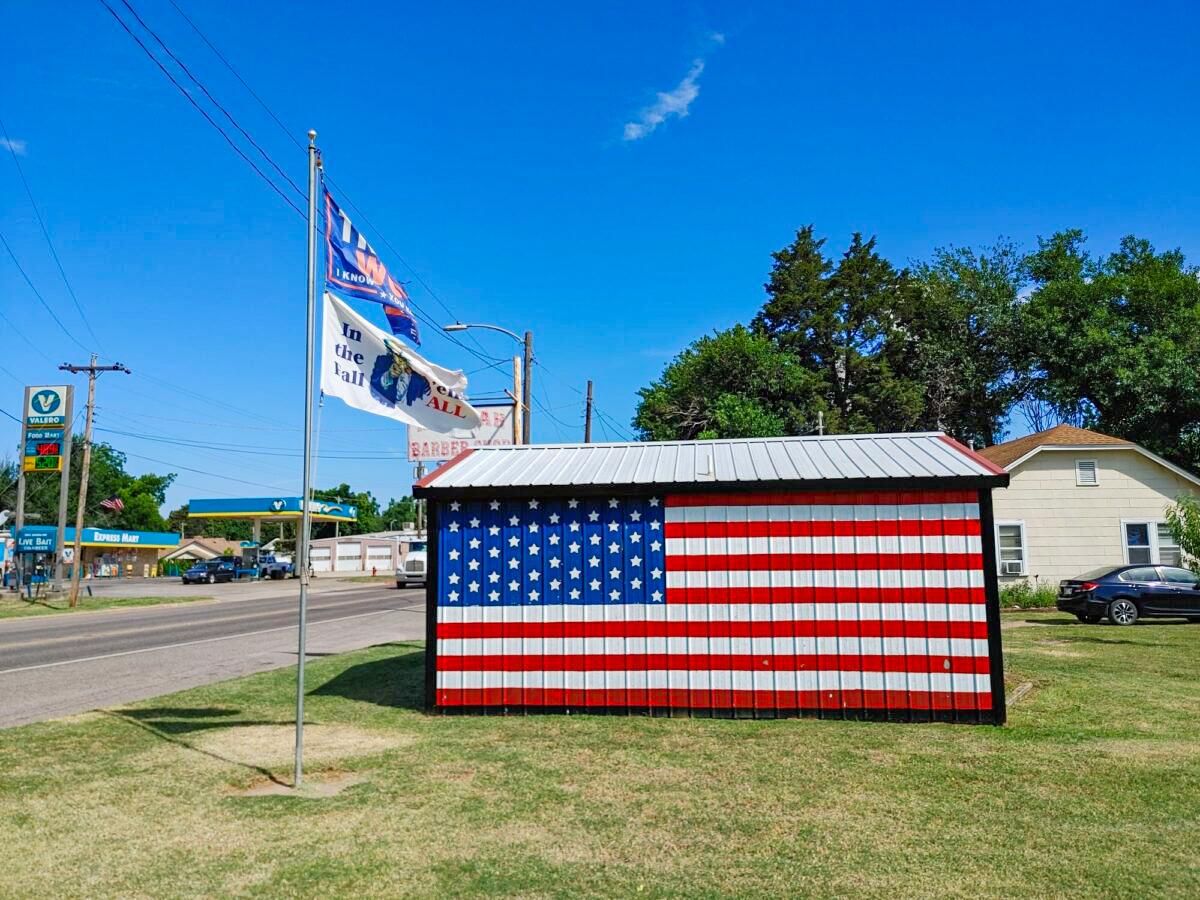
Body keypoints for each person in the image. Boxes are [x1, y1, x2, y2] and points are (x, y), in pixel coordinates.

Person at [369, 338, 431, 409]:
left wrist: (390, 373)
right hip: (411, 382)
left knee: (384, 384)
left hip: (387, 377)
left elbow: (377, 378)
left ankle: (396, 366)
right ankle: (400, 368)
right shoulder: (416, 388)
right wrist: (407, 372)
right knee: (399, 394)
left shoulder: (377, 389)